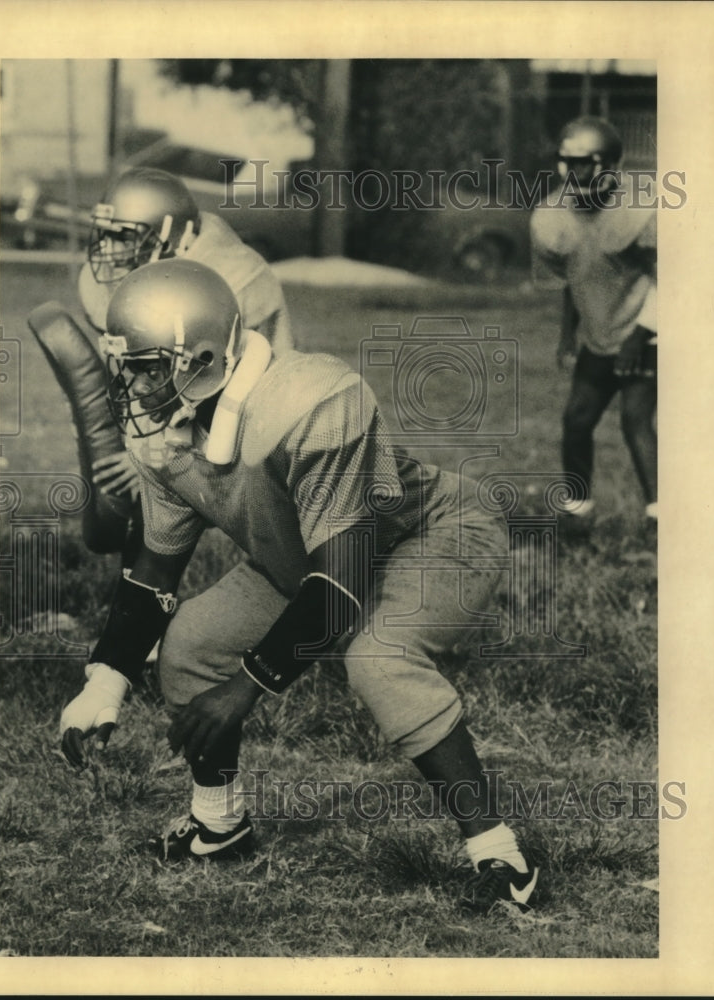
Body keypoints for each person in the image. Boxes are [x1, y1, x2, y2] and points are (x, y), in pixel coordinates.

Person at [58, 257, 541, 914]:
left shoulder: (310, 399)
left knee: (379, 659)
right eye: (126, 366)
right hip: (304, 558)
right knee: (192, 642)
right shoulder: (166, 439)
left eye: (145, 366)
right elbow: (155, 577)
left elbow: (338, 587)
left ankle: (498, 851)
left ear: (200, 358)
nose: (132, 384)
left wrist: (247, 687)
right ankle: (217, 827)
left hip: (429, 535)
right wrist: (105, 680)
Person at [29, 166, 295, 570]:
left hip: (250, 412)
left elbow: (223, 395)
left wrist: (158, 456)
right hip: (184, 394)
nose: (109, 252)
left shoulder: (230, 284)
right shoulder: (105, 280)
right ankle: (142, 579)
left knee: (164, 479)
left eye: (126, 237)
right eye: (105, 234)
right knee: (136, 460)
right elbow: (137, 375)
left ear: (179, 239)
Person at [530, 115, 658, 540]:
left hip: (645, 331)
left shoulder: (638, 210)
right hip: (599, 338)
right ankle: (577, 510)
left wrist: (640, 338)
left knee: (635, 423)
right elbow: (573, 278)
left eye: (586, 164)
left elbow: (672, 283)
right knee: (576, 420)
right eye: (570, 164)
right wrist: (568, 335)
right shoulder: (552, 217)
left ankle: (662, 515)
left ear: (607, 164)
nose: (576, 173)